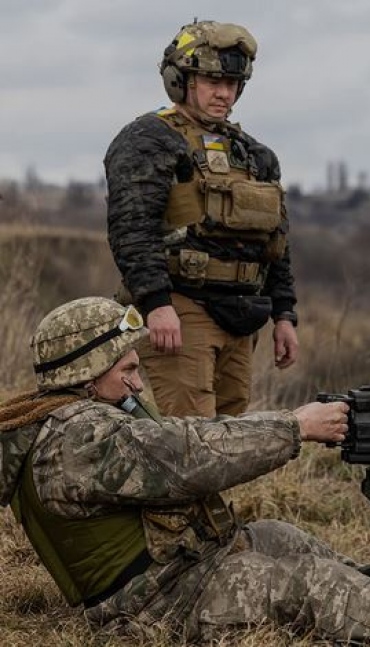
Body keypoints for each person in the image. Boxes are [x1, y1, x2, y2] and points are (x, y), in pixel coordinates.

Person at [0, 297, 370, 644]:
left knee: (283, 538)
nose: (135, 380)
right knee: (309, 584)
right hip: (151, 605)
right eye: (125, 368)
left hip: (180, 569)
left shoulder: (75, 421)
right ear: (87, 370)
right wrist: (294, 426)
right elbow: (188, 455)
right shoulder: (75, 439)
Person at [104, 19, 298, 418]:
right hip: (181, 306)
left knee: (231, 439)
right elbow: (131, 228)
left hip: (242, 314)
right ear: (182, 80)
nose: (223, 93)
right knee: (191, 440)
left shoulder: (254, 154)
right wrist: (156, 304)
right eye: (212, 81)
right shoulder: (149, 139)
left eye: (232, 84)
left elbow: (276, 243)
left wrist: (284, 314)